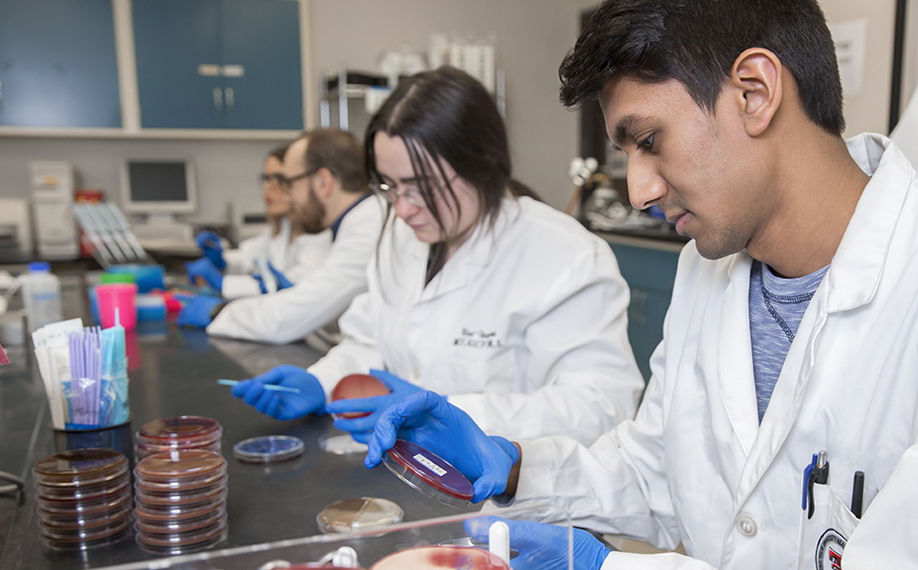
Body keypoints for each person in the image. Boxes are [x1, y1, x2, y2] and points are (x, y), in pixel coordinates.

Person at [364, 2, 918, 569]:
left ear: (755, 91)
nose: (639, 189)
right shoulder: (707, 268)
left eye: (649, 141)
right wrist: (517, 465)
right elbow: (658, 473)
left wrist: (611, 569)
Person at [230, 67, 643, 445]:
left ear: (483, 161)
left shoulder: (564, 255)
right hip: (403, 472)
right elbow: (369, 342)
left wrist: (450, 413)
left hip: (508, 499)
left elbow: (601, 407)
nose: (403, 208)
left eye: (420, 186)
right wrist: (320, 382)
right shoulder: (400, 237)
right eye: (390, 186)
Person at [178, 129, 385, 336]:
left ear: (323, 182)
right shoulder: (357, 224)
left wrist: (218, 312)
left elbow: (290, 318)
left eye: (289, 184)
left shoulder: (367, 232)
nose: (287, 197)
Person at [186, 144, 332, 299]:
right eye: (266, 179)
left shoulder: (319, 235)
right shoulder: (283, 226)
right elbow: (249, 257)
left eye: (278, 179)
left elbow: (295, 287)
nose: (268, 187)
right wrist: (223, 261)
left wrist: (223, 284)